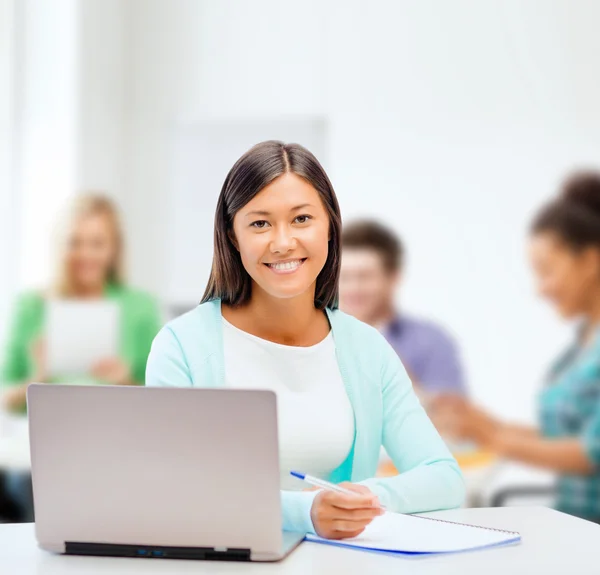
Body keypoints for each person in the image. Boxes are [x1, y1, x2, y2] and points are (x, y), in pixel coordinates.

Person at [146, 141, 464, 540]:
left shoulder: (366, 349)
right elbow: (176, 488)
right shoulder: (181, 346)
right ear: (233, 236)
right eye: (260, 223)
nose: (283, 242)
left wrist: (365, 496)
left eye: (301, 219)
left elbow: (444, 477)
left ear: (330, 226)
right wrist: (304, 512)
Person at [431, 171, 600, 524]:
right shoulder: (581, 345)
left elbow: (590, 453)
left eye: (547, 271)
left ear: (590, 259)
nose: (541, 289)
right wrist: (480, 422)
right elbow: (562, 436)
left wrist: (493, 439)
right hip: (577, 528)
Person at [0, 193, 162, 520]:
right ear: (60, 246)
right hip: (41, 450)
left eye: (97, 243)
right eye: (75, 242)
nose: (85, 254)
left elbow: (164, 402)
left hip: (117, 445)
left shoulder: (139, 307)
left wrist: (125, 381)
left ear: (113, 248)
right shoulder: (31, 306)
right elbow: (5, 397)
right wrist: (37, 378)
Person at [340, 220, 467, 397]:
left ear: (393, 278)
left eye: (365, 277)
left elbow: (452, 419)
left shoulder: (430, 342)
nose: (353, 288)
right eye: (344, 277)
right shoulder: (314, 339)